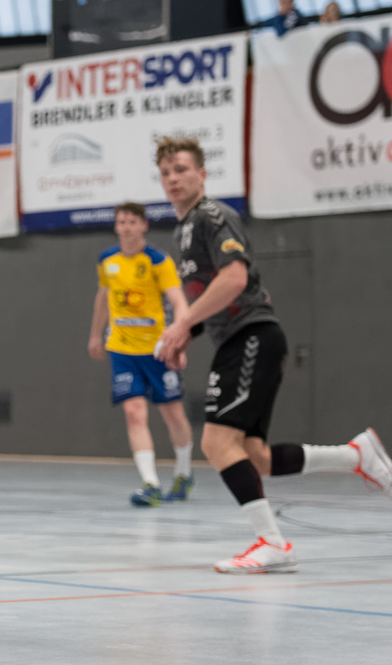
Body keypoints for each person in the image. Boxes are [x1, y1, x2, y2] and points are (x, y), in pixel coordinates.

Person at [154, 137, 392, 574]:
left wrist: (183, 323)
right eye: (166, 172)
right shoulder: (181, 231)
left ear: (202, 174)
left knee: (216, 442)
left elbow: (233, 279)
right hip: (240, 338)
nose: (173, 178)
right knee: (254, 457)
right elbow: (213, 295)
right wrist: (189, 334)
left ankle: (273, 544)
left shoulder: (213, 216)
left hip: (252, 336)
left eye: (182, 169)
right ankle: (356, 456)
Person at [89, 202, 195, 507]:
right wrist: (95, 334)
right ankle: (151, 484)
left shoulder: (158, 261)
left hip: (158, 350)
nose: (126, 227)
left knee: (172, 414)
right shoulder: (107, 260)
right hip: (122, 349)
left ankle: (184, 472)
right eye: (121, 222)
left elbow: (179, 301)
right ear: (116, 226)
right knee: (134, 412)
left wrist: (180, 340)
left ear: (143, 226)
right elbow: (103, 296)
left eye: (132, 222)